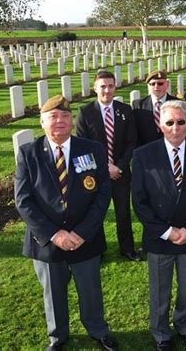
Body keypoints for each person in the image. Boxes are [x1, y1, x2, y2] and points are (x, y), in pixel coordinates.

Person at [14, 95, 118, 351]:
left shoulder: (92, 149)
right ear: (42, 122)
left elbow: (103, 193)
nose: (59, 121)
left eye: (64, 116)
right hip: (47, 242)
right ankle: (57, 336)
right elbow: (23, 200)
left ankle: (98, 330)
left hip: (86, 237)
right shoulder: (29, 153)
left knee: (91, 290)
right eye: (53, 117)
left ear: (71, 121)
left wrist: (83, 232)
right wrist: (55, 234)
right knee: (53, 294)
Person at [132, 100, 186, 351]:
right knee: (160, 289)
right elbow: (139, 201)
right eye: (169, 122)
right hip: (160, 237)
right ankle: (160, 332)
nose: (176, 128)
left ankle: (184, 325)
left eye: (181, 122)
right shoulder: (143, 155)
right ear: (160, 125)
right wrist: (168, 232)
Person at [76, 70, 140, 261]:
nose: (107, 90)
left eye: (110, 86)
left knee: (123, 212)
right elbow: (82, 146)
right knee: (95, 214)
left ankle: (127, 248)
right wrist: (105, 167)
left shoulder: (125, 110)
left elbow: (132, 142)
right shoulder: (85, 112)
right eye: (102, 86)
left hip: (120, 173)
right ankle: (98, 249)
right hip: (95, 174)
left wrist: (118, 167)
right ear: (95, 88)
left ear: (115, 87)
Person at [132, 70, 178, 147]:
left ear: (167, 84)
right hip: (147, 152)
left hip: (172, 150)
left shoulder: (177, 103)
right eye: (152, 84)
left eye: (160, 83)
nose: (156, 86)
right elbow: (134, 133)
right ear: (148, 86)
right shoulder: (138, 105)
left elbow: (183, 131)